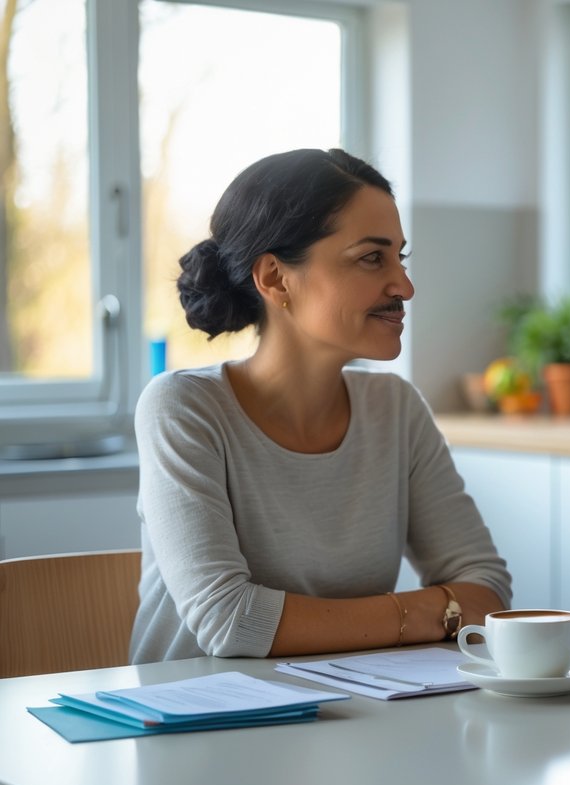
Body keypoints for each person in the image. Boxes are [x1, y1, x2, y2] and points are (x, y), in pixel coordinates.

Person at [131, 148, 511, 663]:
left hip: (349, 718)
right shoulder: (183, 408)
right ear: (275, 279)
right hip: (196, 728)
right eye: (371, 258)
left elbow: (486, 589)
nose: (404, 285)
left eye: (400, 257)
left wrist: (309, 622)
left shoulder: (395, 408)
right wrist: (431, 612)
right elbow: (232, 622)